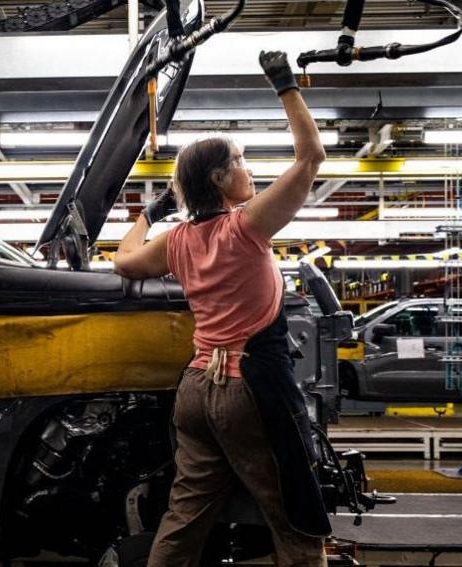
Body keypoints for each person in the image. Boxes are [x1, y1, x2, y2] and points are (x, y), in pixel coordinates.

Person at [113, 51, 330, 567]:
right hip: (251, 389)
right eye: (238, 161)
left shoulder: (177, 240)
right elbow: (310, 158)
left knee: (184, 516)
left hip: (195, 390)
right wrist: (283, 84)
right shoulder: (245, 227)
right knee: (293, 514)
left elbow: (123, 263)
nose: (247, 169)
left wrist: (148, 214)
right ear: (216, 178)